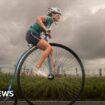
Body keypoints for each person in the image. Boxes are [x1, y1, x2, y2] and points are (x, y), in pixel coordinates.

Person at [26, 7, 62, 77]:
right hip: (32, 34)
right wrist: (46, 29)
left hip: (34, 35)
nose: (59, 17)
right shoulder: (49, 18)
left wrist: (47, 33)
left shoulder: (50, 22)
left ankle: (52, 72)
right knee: (48, 47)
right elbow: (38, 18)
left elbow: (43, 30)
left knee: (50, 50)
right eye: (58, 15)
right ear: (53, 14)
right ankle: (37, 68)